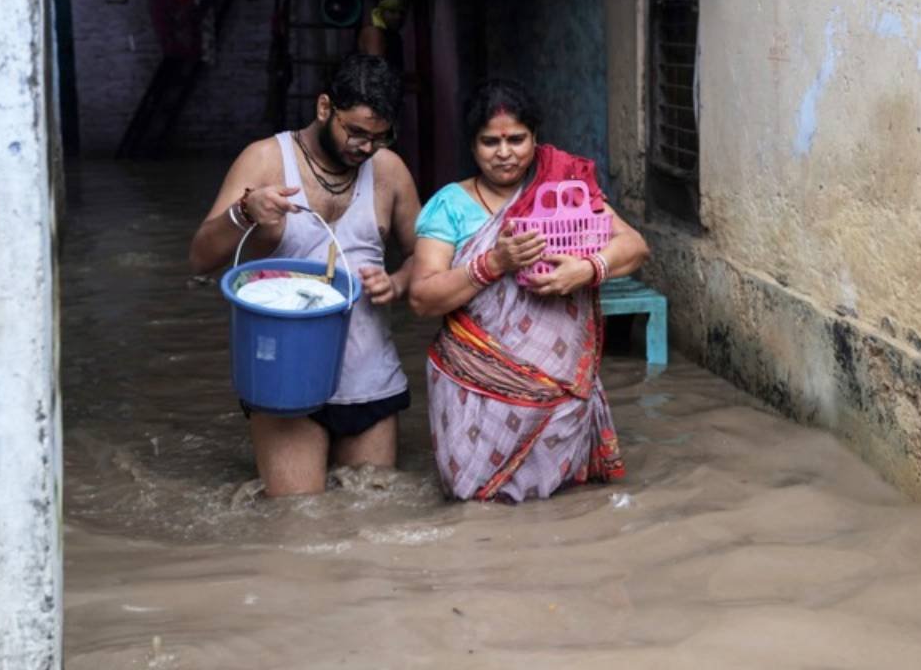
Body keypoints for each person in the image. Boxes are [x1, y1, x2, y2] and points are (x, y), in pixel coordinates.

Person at [188, 54, 421, 496]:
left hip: (368, 377)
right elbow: (200, 257)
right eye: (354, 131)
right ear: (323, 107)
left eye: (378, 136)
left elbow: (425, 257)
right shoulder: (264, 159)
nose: (365, 148)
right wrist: (244, 212)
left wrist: (398, 282)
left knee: (376, 524)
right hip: (283, 377)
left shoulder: (389, 170)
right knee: (298, 523)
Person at [408, 79, 649, 502]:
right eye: (490, 142)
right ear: (472, 146)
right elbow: (422, 298)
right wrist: (493, 263)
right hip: (476, 388)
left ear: (535, 138)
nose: (504, 152)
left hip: (559, 396)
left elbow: (634, 246)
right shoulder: (450, 206)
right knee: (476, 505)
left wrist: (588, 269)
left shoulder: (564, 191)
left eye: (517, 139)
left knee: (564, 511)